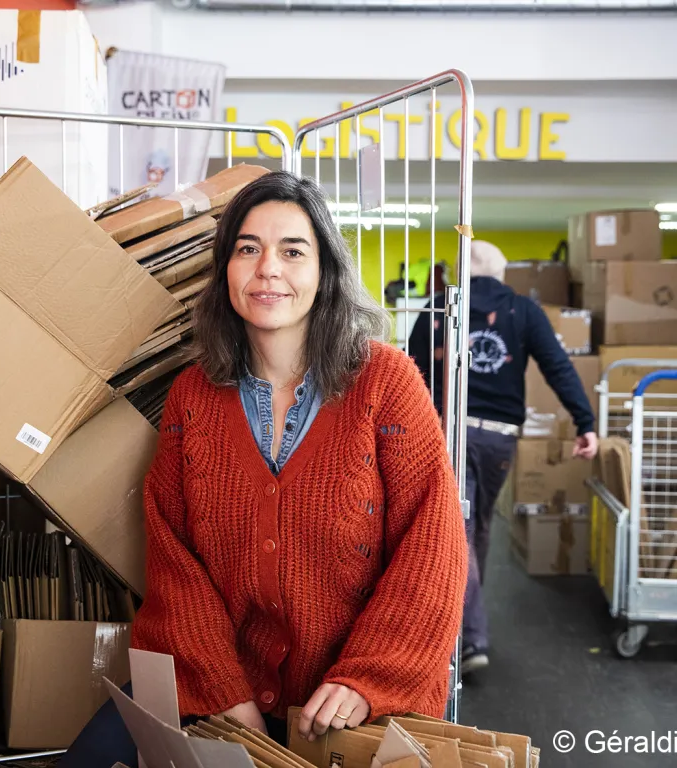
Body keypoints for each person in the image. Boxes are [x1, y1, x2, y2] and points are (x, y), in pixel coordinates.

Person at [59, 171, 467, 768]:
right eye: (248, 249)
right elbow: (173, 557)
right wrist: (223, 692)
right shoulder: (193, 395)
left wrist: (365, 678)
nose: (268, 268)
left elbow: (433, 545)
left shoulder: (384, 382)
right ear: (225, 268)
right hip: (218, 681)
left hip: (353, 700)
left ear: (325, 271)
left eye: (292, 251)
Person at [408, 240, 598, 678]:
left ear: (458, 270)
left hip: (447, 431)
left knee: (461, 529)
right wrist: (584, 421)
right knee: (472, 526)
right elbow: (557, 366)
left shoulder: (438, 307)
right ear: (501, 273)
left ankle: (464, 629)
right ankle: (468, 631)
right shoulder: (522, 310)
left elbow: (412, 371)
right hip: (499, 438)